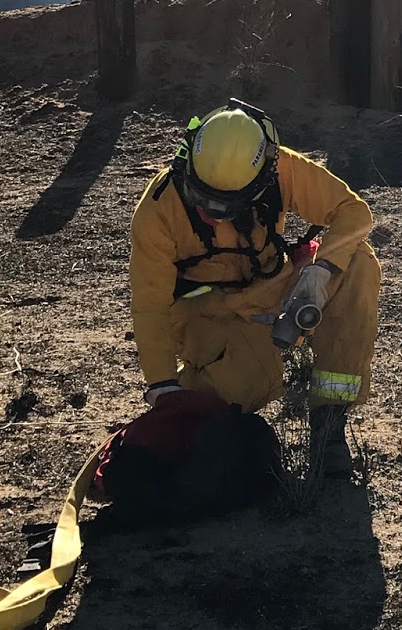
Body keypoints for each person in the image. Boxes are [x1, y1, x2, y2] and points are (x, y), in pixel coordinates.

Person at [128, 100, 381, 478]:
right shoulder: (158, 209)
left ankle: (329, 428)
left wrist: (321, 272)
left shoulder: (283, 169)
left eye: (226, 205)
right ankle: (202, 385)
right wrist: (161, 386)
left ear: (263, 177)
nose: (211, 212)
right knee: (220, 411)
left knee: (358, 262)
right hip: (210, 313)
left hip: (272, 288)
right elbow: (149, 306)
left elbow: (353, 212)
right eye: (202, 196)